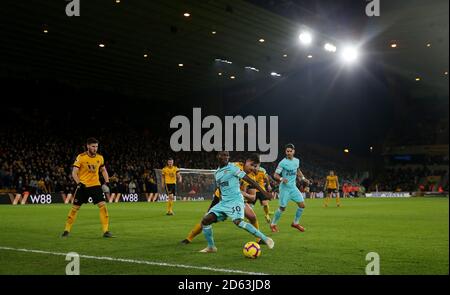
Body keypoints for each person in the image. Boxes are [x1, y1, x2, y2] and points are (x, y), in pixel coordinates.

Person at [199, 151, 274, 253]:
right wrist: (221, 205)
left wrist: (264, 193)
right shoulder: (216, 173)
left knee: (238, 222)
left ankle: (265, 238)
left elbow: (250, 181)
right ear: (218, 156)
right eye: (223, 155)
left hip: (235, 201)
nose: (226, 157)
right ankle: (211, 247)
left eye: (227, 155)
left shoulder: (233, 168)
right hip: (224, 203)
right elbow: (220, 189)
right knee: (205, 220)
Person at [181, 154, 263, 244]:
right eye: (252, 165)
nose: (253, 168)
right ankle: (189, 238)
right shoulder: (234, 166)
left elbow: (253, 197)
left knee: (252, 216)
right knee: (206, 218)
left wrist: (244, 194)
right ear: (246, 162)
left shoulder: (251, 177)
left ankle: (259, 239)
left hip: (236, 199)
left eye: (255, 166)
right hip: (221, 196)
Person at [61, 137, 113, 238]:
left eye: (96, 146)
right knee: (75, 208)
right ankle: (66, 230)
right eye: (93, 146)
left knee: (103, 206)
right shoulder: (81, 157)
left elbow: (103, 170)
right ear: (88, 146)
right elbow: (74, 172)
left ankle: (106, 231)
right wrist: (78, 183)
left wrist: (107, 181)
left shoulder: (100, 158)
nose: (95, 148)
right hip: (83, 186)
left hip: (95, 185)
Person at [270, 144, 310, 233]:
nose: (288, 153)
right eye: (287, 151)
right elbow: (275, 175)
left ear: (293, 151)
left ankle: (295, 223)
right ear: (285, 152)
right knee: (282, 208)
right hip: (285, 189)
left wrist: (303, 178)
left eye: (290, 151)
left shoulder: (297, 161)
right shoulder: (282, 162)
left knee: (302, 205)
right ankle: (273, 224)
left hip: (293, 188)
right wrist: (281, 179)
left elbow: (298, 170)